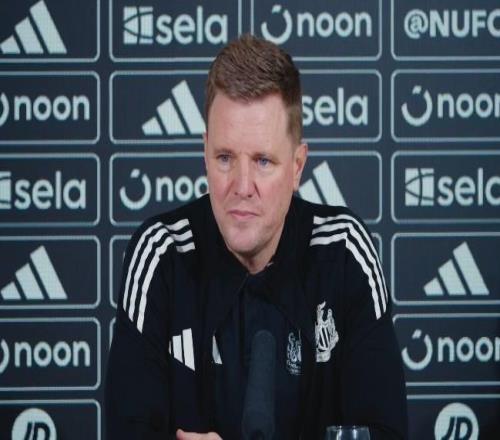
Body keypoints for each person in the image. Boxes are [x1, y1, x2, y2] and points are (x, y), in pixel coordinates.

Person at [105, 34, 408, 439]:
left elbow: (385, 432)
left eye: (263, 161)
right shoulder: (161, 252)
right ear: (204, 154)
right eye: (225, 158)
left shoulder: (343, 250)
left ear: (297, 166)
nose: (242, 186)